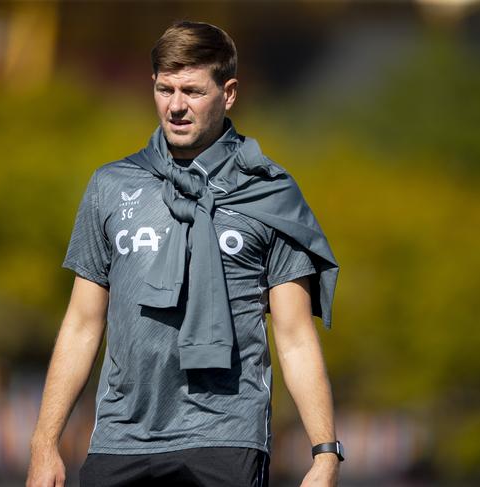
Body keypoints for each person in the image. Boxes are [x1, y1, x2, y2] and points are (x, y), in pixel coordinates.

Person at [27, 21, 342, 487]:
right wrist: (44, 443)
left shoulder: (269, 194)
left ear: (228, 93)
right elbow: (82, 322)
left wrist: (325, 454)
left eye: (192, 91)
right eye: (164, 89)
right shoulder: (111, 186)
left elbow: (294, 335)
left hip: (226, 436)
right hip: (121, 437)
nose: (175, 106)